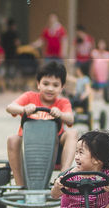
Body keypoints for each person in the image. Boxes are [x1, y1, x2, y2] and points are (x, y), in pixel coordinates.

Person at [4, 61, 76, 189]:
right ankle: (20, 187)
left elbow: (70, 119)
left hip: (54, 149)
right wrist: (24, 109)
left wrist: (60, 114)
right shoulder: (29, 97)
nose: (50, 88)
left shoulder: (62, 102)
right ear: (38, 84)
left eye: (55, 85)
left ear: (62, 87)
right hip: (29, 148)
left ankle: (63, 178)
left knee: (72, 133)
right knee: (13, 139)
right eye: (46, 84)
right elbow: (10, 107)